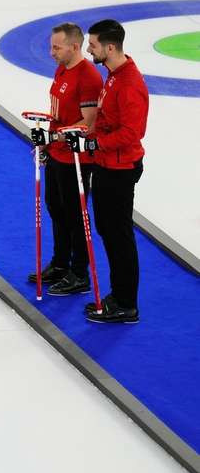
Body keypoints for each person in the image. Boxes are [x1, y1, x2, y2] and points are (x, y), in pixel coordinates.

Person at [67, 19, 148, 324]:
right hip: (105, 164)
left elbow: (132, 133)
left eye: (93, 45)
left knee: (118, 235)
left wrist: (94, 143)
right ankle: (118, 294)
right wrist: (82, 135)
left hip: (119, 168)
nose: (89, 50)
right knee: (107, 231)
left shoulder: (129, 84)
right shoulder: (113, 76)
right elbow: (105, 122)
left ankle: (127, 303)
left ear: (110, 47)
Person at [29, 23, 103, 296]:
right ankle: (60, 263)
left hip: (76, 157)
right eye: (51, 46)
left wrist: (54, 138)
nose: (51, 52)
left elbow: (89, 123)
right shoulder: (62, 68)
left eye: (56, 47)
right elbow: (57, 114)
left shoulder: (89, 77)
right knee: (56, 209)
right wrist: (46, 142)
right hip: (58, 152)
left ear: (74, 46)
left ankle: (79, 273)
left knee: (75, 215)